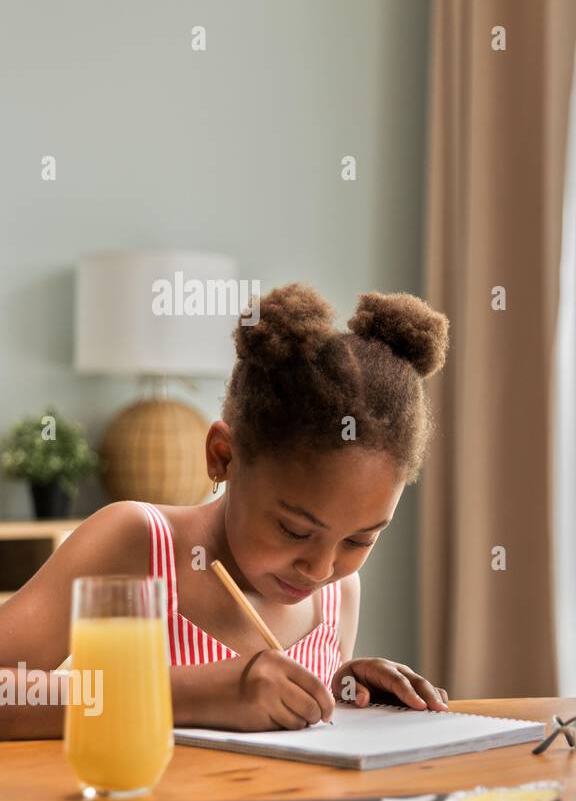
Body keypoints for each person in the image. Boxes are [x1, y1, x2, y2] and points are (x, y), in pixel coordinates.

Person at [0, 283, 450, 739]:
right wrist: (193, 696)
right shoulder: (138, 542)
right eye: (294, 530)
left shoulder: (339, 594)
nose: (320, 568)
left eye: (360, 540)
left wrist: (345, 693)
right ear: (223, 455)